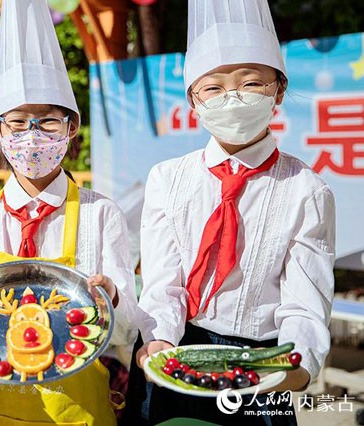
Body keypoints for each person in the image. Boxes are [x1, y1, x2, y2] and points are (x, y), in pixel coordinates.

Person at [135, 0, 335, 424]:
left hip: (263, 365)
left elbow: (304, 304)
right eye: (213, 88)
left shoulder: (306, 190)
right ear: (193, 99)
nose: (232, 99)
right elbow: (162, 283)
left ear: (278, 89)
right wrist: (157, 342)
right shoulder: (167, 179)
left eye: (250, 83)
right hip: (181, 356)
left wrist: (294, 368)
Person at [0, 0, 138, 424]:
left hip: (80, 408)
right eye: (18, 123)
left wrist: (111, 297)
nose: (33, 136)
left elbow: (128, 325)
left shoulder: (100, 214)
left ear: (71, 129)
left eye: (48, 122)